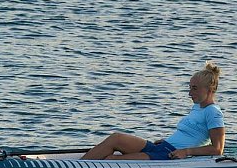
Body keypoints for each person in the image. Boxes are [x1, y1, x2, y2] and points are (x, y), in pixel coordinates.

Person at [81, 63, 225, 161]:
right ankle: (78, 166)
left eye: (194, 88)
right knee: (116, 138)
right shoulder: (197, 107)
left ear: (210, 89)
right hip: (163, 147)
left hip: (169, 156)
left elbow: (217, 149)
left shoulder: (213, 112)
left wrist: (186, 152)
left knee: (112, 160)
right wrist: (167, 140)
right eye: (189, 87)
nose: (189, 93)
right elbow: (190, 135)